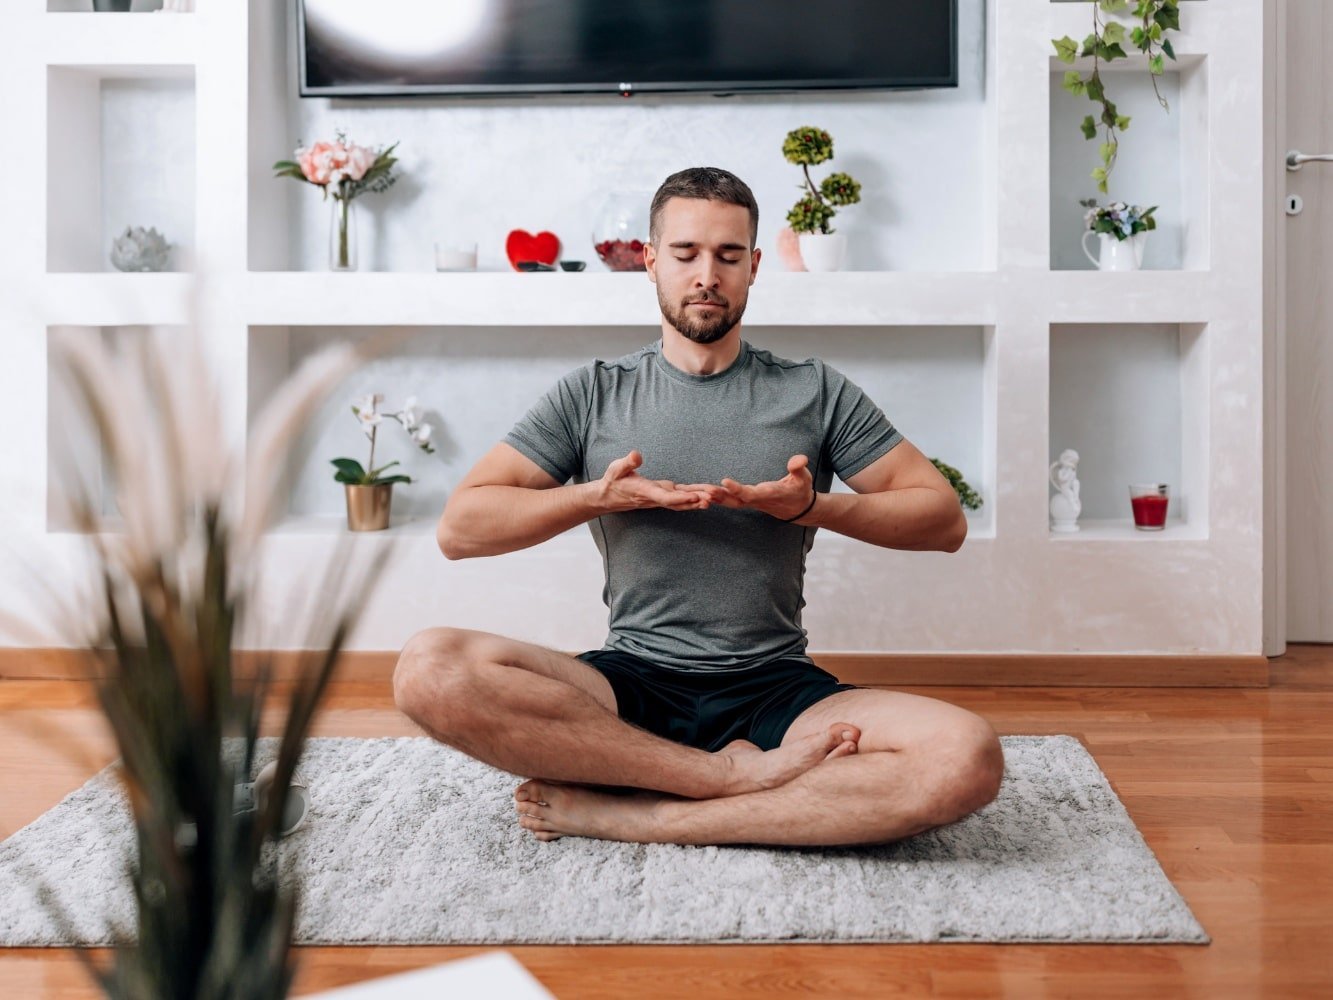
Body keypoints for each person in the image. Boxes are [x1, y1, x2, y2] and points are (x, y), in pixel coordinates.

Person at [393, 167, 1004, 848]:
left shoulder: (814, 391)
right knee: (428, 667)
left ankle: (651, 816)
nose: (707, 275)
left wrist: (809, 508)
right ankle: (721, 776)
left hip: (777, 688)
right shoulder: (592, 394)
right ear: (650, 261)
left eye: (728, 256)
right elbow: (461, 529)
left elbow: (942, 520)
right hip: (628, 686)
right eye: (685, 254)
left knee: (965, 756)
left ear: (754, 267)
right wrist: (598, 495)